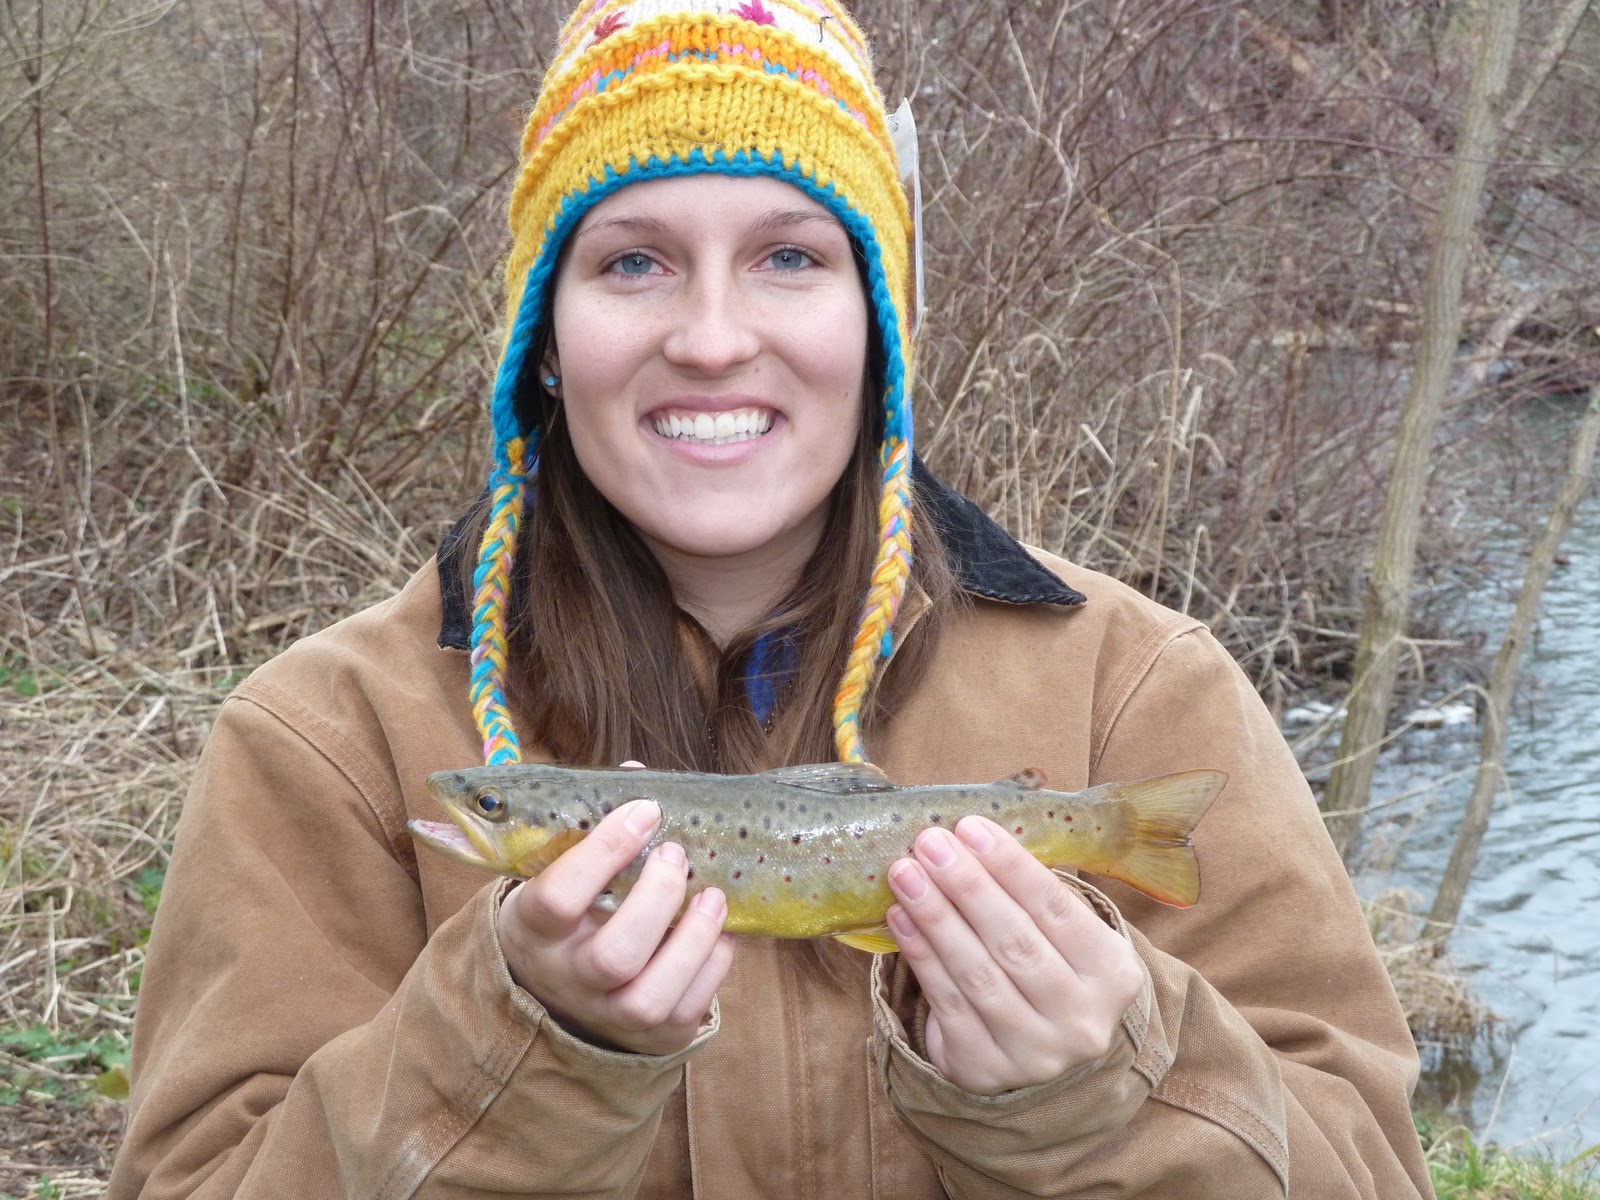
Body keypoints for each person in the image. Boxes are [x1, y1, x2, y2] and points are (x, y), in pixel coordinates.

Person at [109, 0, 1434, 1195]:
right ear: (545, 343)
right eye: (632, 261)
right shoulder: (324, 740)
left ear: (880, 324)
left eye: (791, 256)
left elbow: (1369, 1171)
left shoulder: (1143, 691)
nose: (712, 337)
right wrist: (516, 1052)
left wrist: (1109, 1094)